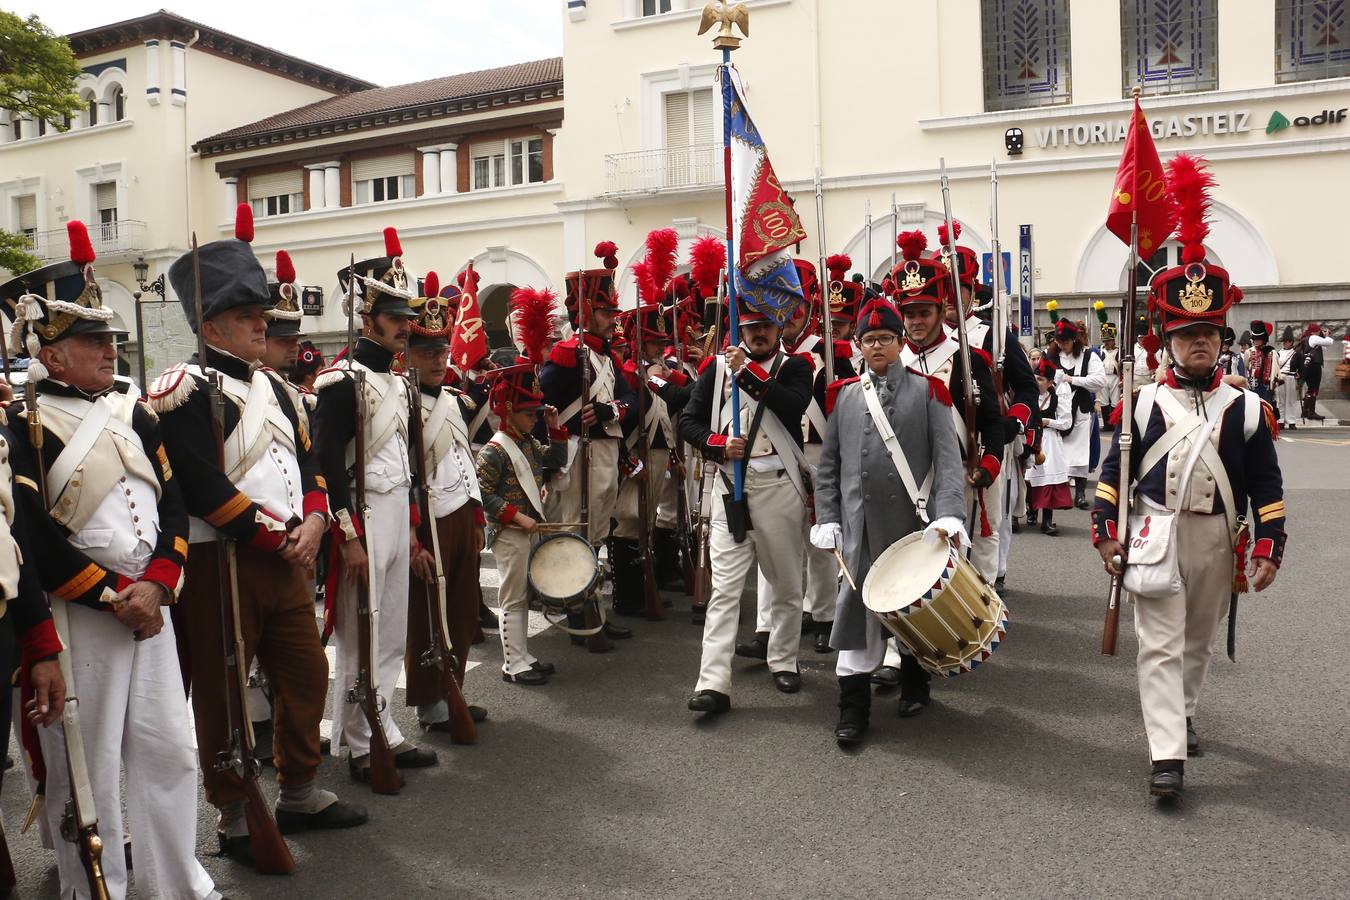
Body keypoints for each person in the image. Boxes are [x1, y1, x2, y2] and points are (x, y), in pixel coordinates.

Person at [2, 221, 220, 899]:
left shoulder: (133, 409)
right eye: (92, 340)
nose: (110, 348)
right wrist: (112, 595)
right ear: (50, 352)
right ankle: (96, 889)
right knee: (86, 771)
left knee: (169, 752)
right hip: (82, 617)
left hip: (148, 607)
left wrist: (157, 585)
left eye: (109, 338)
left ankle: (175, 883)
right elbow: (31, 537)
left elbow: (174, 504)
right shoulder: (23, 424)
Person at [1092, 154, 1285, 801]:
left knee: (1197, 642)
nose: (1198, 342)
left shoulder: (1248, 409)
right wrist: (1105, 528)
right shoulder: (1142, 403)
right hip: (1156, 535)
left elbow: (1266, 487)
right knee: (1159, 647)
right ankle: (1166, 754)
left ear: (1221, 337)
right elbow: (1113, 474)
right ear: (1167, 339)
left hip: (1215, 540)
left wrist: (1268, 544)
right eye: (1186, 333)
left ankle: (1185, 711)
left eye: (1207, 332)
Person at [814, 288, 967, 746]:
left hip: (911, 525)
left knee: (913, 606)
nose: (877, 346)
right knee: (856, 616)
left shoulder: (929, 391)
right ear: (858, 346)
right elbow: (829, 467)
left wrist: (949, 515)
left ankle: (916, 683)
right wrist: (828, 517)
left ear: (901, 342)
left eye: (885, 337)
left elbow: (948, 463)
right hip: (861, 530)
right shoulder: (843, 396)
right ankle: (853, 709)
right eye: (869, 339)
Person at [316, 226, 439, 785]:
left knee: (390, 633)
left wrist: (411, 533)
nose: (405, 326)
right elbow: (326, 466)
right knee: (358, 635)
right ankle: (359, 740)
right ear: (366, 319)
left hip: (393, 514)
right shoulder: (340, 382)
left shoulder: (400, 383)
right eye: (394, 317)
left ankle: (382, 723)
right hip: (361, 517)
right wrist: (348, 537)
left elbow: (406, 468)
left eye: (406, 317)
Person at [678, 297, 813, 713]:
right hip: (730, 487)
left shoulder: (795, 366)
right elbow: (688, 421)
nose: (759, 333)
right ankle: (713, 682)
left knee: (786, 585)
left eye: (766, 326)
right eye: (751, 327)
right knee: (724, 591)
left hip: (779, 487)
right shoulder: (718, 370)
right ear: (741, 329)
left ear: (778, 327)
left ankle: (783, 659)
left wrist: (747, 371)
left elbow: (791, 405)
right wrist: (718, 444)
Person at [404, 272, 491, 726]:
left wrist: (477, 517)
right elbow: (402, 478)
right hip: (430, 520)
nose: (438, 360)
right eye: (427, 353)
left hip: (459, 514)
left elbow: (464, 461)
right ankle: (429, 701)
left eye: (441, 351)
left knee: (461, 611)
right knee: (426, 616)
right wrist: (413, 537)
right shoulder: (401, 404)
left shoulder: (455, 401)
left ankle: (453, 686)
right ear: (406, 355)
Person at [538, 241, 637, 643]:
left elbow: (629, 398)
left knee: (595, 534)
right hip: (579, 456)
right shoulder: (567, 355)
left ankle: (592, 606)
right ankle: (578, 614)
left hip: (606, 452)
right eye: (606, 313)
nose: (613, 320)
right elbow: (539, 401)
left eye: (613, 313)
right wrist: (556, 441)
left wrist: (610, 410)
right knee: (575, 533)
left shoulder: (608, 358)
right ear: (585, 312)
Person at [936, 223, 1036, 592]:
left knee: (988, 523)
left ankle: (985, 592)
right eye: (943, 290)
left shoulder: (992, 334)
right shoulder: (920, 340)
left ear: (971, 292)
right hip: (937, 447)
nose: (950, 298)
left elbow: (1026, 388)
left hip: (986, 439)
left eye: (957, 289)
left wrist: (1013, 424)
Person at [476, 350, 569, 685]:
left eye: (536, 413)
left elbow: (554, 460)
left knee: (522, 596)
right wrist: (518, 517)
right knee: (513, 597)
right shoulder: (493, 450)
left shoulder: (528, 442)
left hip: (527, 529)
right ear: (509, 411)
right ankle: (513, 664)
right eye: (529, 414)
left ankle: (523, 655)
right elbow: (484, 495)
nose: (535, 419)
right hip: (508, 531)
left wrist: (555, 430)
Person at [1046, 318, 1106, 508]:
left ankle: (1080, 494)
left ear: (1074, 339)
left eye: (1065, 341)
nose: (1062, 345)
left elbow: (1100, 381)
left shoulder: (1088, 356)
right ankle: (1058, 494)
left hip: (1080, 410)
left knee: (1080, 453)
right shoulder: (1050, 356)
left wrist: (1073, 380)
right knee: (1056, 452)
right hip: (1056, 411)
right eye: (1059, 341)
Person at [1026, 358, 1073, 535]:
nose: (1036, 382)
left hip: (1050, 442)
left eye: (1040, 379)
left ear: (1050, 382)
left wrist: (1049, 422)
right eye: (1035, 378)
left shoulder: (1056, 400)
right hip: (1030, 439)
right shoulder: (1026, 396)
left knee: (1048, 479)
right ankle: (1029, 512)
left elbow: (1067, 423)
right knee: (1027, 477)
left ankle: (1047, 520)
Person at [1298, 322, 1334, 421]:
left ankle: (1306, 411)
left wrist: (1323, 337)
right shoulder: (1313, 337)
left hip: (1308, 366)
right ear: (1314, 331)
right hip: (1314, 366)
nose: (1319, 332)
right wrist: (1327, 335)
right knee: (1313, 389)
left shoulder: (1307, 338)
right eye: (1318, 330)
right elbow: (1329, 342)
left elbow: (1324, 347)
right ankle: (1311, 412)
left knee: (1311, 388)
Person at [1275, 325, 1300, 430]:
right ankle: (1280, 420)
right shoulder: (1278, 353)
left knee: (1291, 400)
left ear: (1292, 342)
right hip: (1281, 377)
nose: (1286, 343)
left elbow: (1300, 367)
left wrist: (1300, 379)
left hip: (1291, 377)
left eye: (1288, 341)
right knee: (1281, 400)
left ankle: (1291, 421)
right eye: (1285, 341)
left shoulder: (1296, 353)